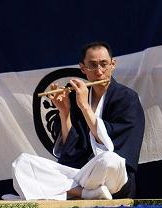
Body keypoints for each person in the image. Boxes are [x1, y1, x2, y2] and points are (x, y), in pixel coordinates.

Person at [12, 41, 145, 200]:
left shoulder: (127, 98)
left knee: (109, 160)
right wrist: (65, 112)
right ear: (83, 68)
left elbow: (114, 147)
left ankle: (69, 191)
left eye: (104, 64)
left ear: (113, 64)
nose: (99, 71)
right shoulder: (78, 97)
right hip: (81, 174)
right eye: (92, 65)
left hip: (111, 177)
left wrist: (85, 107)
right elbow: (71, 150)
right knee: (22, 164)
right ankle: (87, 193)